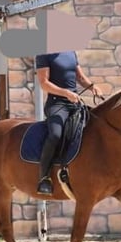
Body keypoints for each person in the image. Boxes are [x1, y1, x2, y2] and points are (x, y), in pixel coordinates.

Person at [35, 50, 100, 195]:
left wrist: (92, 86)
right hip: (57, 104)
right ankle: (44, 177)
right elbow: (44, 83)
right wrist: (66, 93)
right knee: (55, 135)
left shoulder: (71, 53)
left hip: (75, 102)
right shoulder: (43, 54)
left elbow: (80, 77)